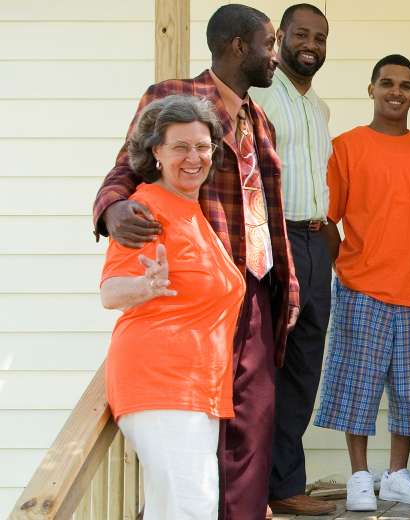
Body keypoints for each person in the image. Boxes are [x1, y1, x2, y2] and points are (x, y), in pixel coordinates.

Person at [91, 5, 297, 519]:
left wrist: (285, 287)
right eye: (269, 44)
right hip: (191, 287)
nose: (277, 55)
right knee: (195, 472)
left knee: (249, 430)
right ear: (237, 47)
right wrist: (111, 208)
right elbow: (126, 167)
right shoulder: (174, 98)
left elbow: (269, 208)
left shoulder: (260, 119)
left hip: (250, 285)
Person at [100, 95, 240, 520]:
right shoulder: (147, 208)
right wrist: (145, 285)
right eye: (180, 146)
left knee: (173, 510)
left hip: (195, 392)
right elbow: (111, 291)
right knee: (192, 509)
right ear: (155, 153)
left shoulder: (192, 210)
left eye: (202, 146)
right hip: (163, 386)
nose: (193, 157)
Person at [312, 54, 410, 512]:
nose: (396, 92)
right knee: (357, 387)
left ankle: (398, 476)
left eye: (406, 85)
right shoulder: (346, 146)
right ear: (371, 89)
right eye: (387, 83)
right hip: (360, 286)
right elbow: (328, 218)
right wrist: (345, 265)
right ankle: (360, 478)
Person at [247, 4, 334, 515]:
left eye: (321, 37)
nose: (312, 44)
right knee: (264, 360)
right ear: (280, 37)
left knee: (304, 363)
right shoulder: (258, 95)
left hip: (314, 240)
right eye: (302, 34)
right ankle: (255, 483)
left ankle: (284, 482)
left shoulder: (318, 107)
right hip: (273, 241)